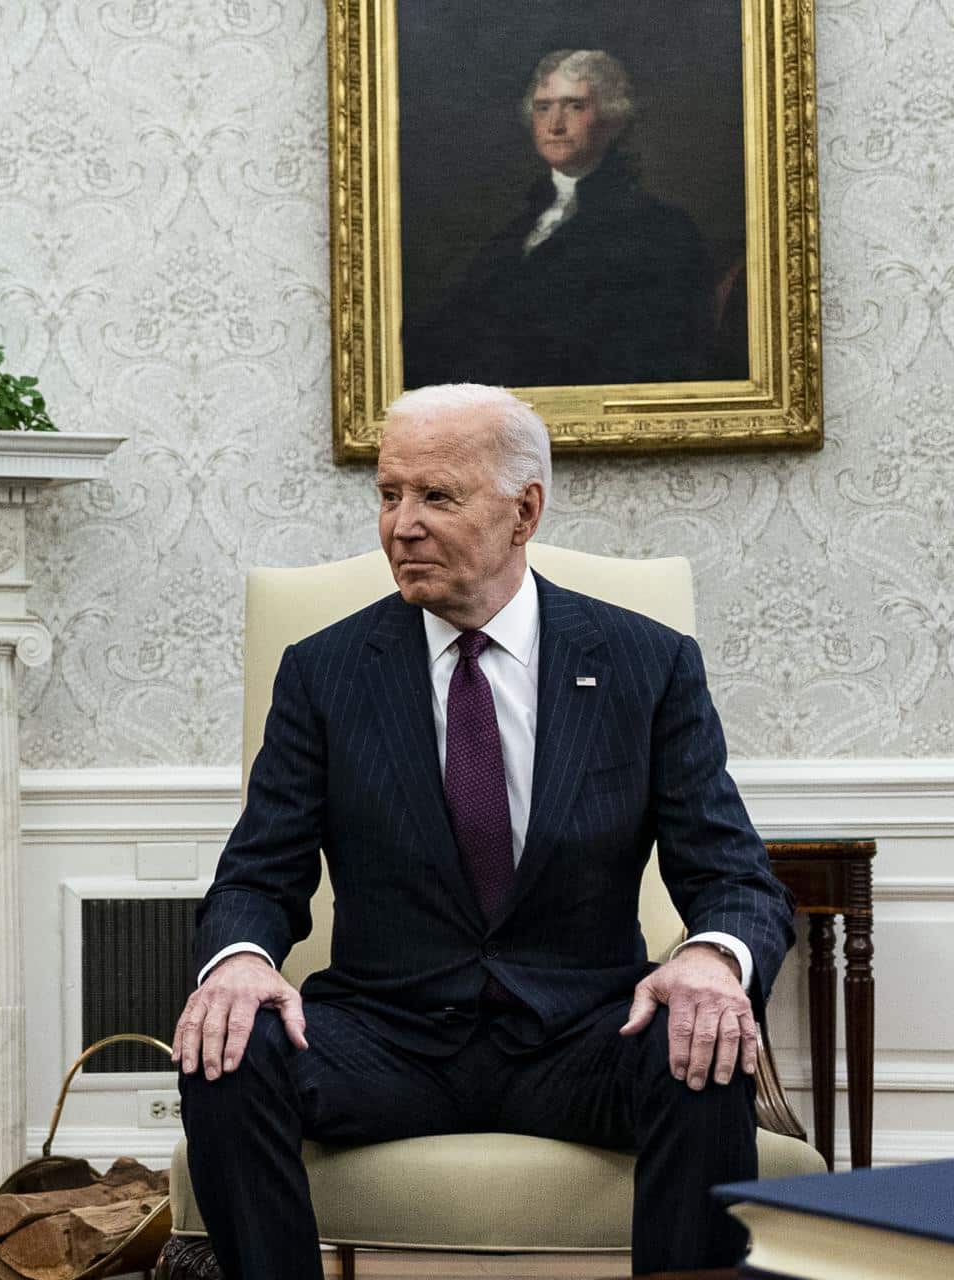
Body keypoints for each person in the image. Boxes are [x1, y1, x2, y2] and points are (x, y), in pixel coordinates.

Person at [172, 383, 793, 1277]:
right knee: (227, 1051)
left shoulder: (644, 665)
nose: (402, 526)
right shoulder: (325, 672)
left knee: (701, 1043)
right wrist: (238, 961)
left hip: (584, 1036)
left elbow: (734, 876)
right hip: (388, 1036)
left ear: (523, 510)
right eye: (389, 494)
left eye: (437, 497)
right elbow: (257, 877)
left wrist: (711, 958)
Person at [404, 51, 731, 388]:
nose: (555, 125)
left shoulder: (660, 230)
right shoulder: (517, 228)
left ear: (611, 118)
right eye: (543, 107)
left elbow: (656, 357)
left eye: (575, 106)